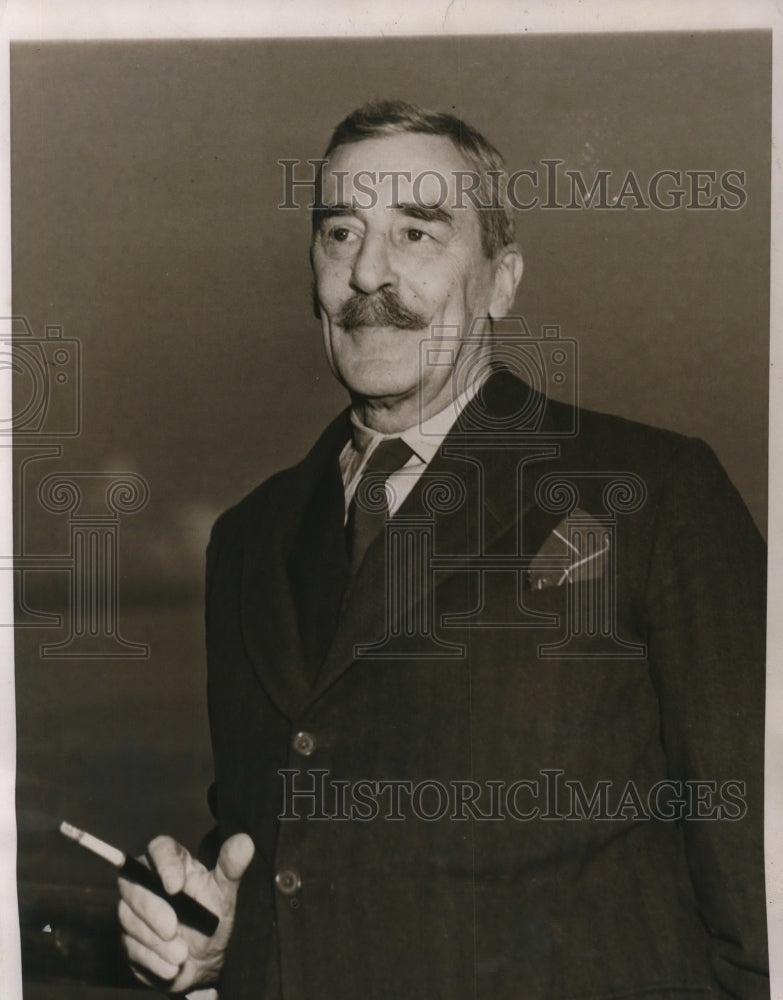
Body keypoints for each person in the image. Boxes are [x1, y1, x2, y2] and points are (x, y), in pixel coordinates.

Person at [118, 101, 769, 999]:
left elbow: (760, 884)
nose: (367, 272)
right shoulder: (248, 539)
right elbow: (279, 840)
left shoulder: (654, 494)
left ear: (501, 281)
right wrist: (216, 937)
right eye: (340, 232)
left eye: (417, 232)